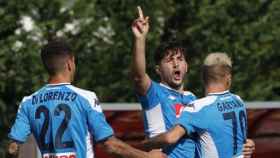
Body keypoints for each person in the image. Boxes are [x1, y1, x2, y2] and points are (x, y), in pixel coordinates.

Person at [6, 39, 166, 158]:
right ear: (70, 63)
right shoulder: (86, 97)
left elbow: (12, 148)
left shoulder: (28, 102)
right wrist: (147, 157)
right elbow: (109, 144)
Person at [131, 6, 255, 158]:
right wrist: (140, 39)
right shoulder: (154, 93)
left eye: (180, 59)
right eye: (170, 60)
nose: (176, 64)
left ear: (187, 66)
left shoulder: (192, 99)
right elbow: (138, 76)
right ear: (158, 69)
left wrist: (244, 144)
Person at [142, 53, 250, 158]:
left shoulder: (198, 108)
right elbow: (236, 139)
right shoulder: (238, 101)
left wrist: (144, 145)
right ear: (229, 78)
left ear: (203, 78)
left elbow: (170, 138)